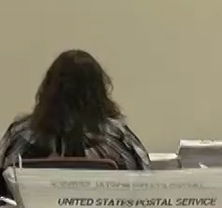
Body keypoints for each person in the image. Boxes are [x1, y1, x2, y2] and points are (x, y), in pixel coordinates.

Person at [0, 50, 150, 191]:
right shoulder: (118, 138)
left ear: (48, 87)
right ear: (99, 91)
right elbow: (146, 184)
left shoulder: (20, 136)